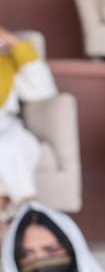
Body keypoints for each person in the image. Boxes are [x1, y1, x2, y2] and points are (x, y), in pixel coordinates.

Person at [0, 27, 54, 226]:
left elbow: (43, 91)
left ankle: (13, 216)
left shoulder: (6, 60)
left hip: (4, 126)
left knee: (10, 147)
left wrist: (14, 43)